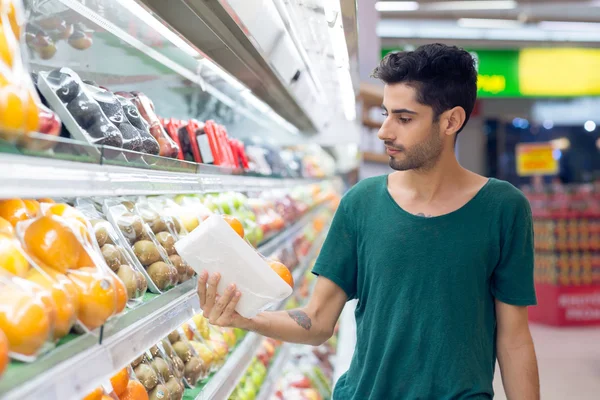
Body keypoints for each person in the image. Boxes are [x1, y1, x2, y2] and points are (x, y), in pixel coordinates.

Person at [197, 43, 540, 399]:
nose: (385, 132)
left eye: (404, 119)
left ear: (451, 121)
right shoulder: (361, 203)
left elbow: (513, 339)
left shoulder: (503, 208)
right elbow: (317, 320)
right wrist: (247, 320)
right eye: (385, 114)